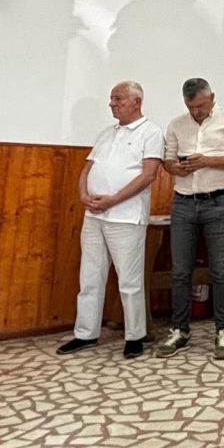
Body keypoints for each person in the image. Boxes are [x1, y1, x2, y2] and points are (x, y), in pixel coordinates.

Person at [57, 81, 163, 360]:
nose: (112, 104)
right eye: (111, 99)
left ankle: (135, 336)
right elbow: (87, 169)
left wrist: (113, 200)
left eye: (118, 99)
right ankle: (85, 333)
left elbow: (148, 175)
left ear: (136, 102)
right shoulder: (106, 133)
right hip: (94, 215)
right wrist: (83, 195)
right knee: (90, 276)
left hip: (126, 218)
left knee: (129, 280)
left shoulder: (151, 132)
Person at [156, 78, 224, 360]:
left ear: (211, 97)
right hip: (183, 202)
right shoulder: (177, 124)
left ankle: (223, 331)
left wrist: (207, 161)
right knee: (180, 270)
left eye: (200, 105)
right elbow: (167, 160)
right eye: (191, 107)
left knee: (220, 270)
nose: (196, 111)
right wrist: (176, 168)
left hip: (217, 202)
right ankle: (179, 330)